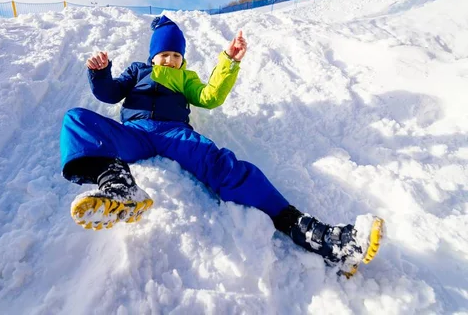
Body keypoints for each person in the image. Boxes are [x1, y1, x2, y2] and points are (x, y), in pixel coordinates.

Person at [60, 15, 383, 276]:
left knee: (224, 165)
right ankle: (118, 186)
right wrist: (100, 74)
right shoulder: (137, 71)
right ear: (153, 55)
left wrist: (228, 60)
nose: (171, 60)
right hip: (135, 133)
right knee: (75, 119)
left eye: (176, 55)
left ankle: (309, 231)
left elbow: (210, 96)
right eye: (165, 54)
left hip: (175, 134)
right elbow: (110, 94)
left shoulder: (186, 79)